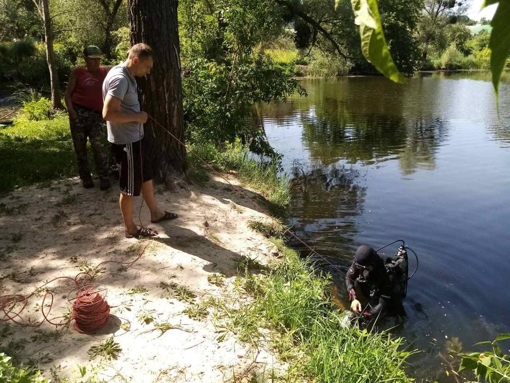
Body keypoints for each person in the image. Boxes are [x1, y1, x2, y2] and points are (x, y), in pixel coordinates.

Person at [102, 43, 178, 238]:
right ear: (135, 60)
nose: (149, 71)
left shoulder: (126, 74)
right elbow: (108, 113)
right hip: (126, 141)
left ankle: (156, 213)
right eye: (147, 67)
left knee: (145, 175)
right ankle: (130, 229)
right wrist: (137, 117)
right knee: (129, 187)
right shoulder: (120, 79)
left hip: (136, 138)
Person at [65, 45, 112, 190]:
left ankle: (104, 177)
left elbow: (121, 66)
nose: (96, 62)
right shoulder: (78, 72)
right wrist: (72, 112)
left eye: (98, 59)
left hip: (96, 116)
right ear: (85, 59)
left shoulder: (104, 71)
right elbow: (67, 94)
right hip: (79, 113)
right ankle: (86, 178)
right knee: (80, 148)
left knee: (99, 147)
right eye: (93, 59)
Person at [345, 245, 406, 324]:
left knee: (392, 307)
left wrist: (366, 316)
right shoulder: (360, 261)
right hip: (373, 280)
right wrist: (354, 298)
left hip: (389, 289)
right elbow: (348, 277)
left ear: (372, 264)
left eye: (365, 267)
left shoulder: (388, 273)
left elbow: (382, 303)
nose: (361, 268)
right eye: (359, 266)